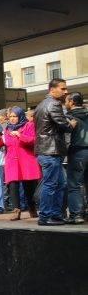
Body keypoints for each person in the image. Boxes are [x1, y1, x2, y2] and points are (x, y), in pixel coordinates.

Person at [34, 78, 74, 226]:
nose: (66, 91)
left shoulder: (41, 104)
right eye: (63, 89)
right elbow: (63, 124)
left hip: (48, 151)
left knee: (60, 184)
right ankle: (45, 216)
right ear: (52, 89)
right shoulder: (54, 103)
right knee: (51, 185)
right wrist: (71, 124)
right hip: (50, 151)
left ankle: (56, 215)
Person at [0, 106, 40, 220]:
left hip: (26, 159)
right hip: (12, 160)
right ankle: (16, 210)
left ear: (20, 116)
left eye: (14, 116)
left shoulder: (29, 125)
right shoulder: (7, 129)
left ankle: (32, 208)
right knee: (13, 185)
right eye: (10, 117)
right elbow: (5, 144)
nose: (12, 119)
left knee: (29, 186)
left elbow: (33, 140)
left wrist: (20, 135)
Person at [65, 92, 87, 224]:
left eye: (67, 101)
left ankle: (76, 214)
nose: (66, 103)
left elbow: (66, 135)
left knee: (74, 184)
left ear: (72, 102)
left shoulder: (69, 117)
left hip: (77, 152)